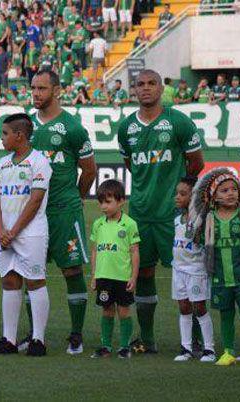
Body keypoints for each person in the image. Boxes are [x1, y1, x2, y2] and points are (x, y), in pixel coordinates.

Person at [116, 70, 204, 354]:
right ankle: (148, 338)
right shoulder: (126, 127)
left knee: (188, 272)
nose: (145, 89)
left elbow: (196, 164)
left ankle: (197, 340)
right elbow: (132, 164)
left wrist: (177, 195)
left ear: (160, 88)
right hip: (141, 213)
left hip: (173, 216)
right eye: (139, 84)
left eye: (151, 83)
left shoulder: (178, 122)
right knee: (143, 275)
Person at [29, 70, 98, 354]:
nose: (35, 93)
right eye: (32, 88)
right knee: (31, 272)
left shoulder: (72, 127)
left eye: (41, 88)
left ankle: (76, 334)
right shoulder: (25, 127)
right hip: (32, 212)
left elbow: (90, 170)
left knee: (71, 269)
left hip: (63, 210)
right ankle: (34, 335)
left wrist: (76, 198)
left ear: (57, 91)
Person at [0, 113, 52, 357]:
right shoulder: (1, 164)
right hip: (6, 235)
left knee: (35, 281)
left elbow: (35, 200)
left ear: (19, 135)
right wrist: (1, 230)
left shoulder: (39, 162)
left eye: (5, 133)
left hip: (30, 233)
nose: (2, 138)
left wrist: (13, 231)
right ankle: (9, 340)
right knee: (9, 282)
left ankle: (38, 340)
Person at [189, 168, 240, 368]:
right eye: (224, 190)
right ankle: (229, 352)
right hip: (219, 277)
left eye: (234, 189)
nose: (230, 193)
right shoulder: (209, 218)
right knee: (225, 314)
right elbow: (196, 239)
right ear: (213, 195)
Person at [89, 180, 140, 359]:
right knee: (107, 309)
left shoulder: (129, 224)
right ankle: (105, 346)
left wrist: (133, 277)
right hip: (104, 276)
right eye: (101, 202)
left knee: (124, 311)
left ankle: (125, 347)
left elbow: (134, 252)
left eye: (108, 202)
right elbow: (95, 250)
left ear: (121, 201)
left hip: (122, 277)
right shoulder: (98, 224)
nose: (104, 206)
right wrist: (94, 275)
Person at [171, 176, 215, 363]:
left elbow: (207, 243)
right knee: (183, 307)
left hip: (196, 270)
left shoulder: (202, 218)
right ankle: (186, 348)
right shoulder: (177, 219)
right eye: (177, 193)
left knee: (200, 308)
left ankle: (209, 349)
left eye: (183, 194)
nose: (177, 197)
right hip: (178, 270)